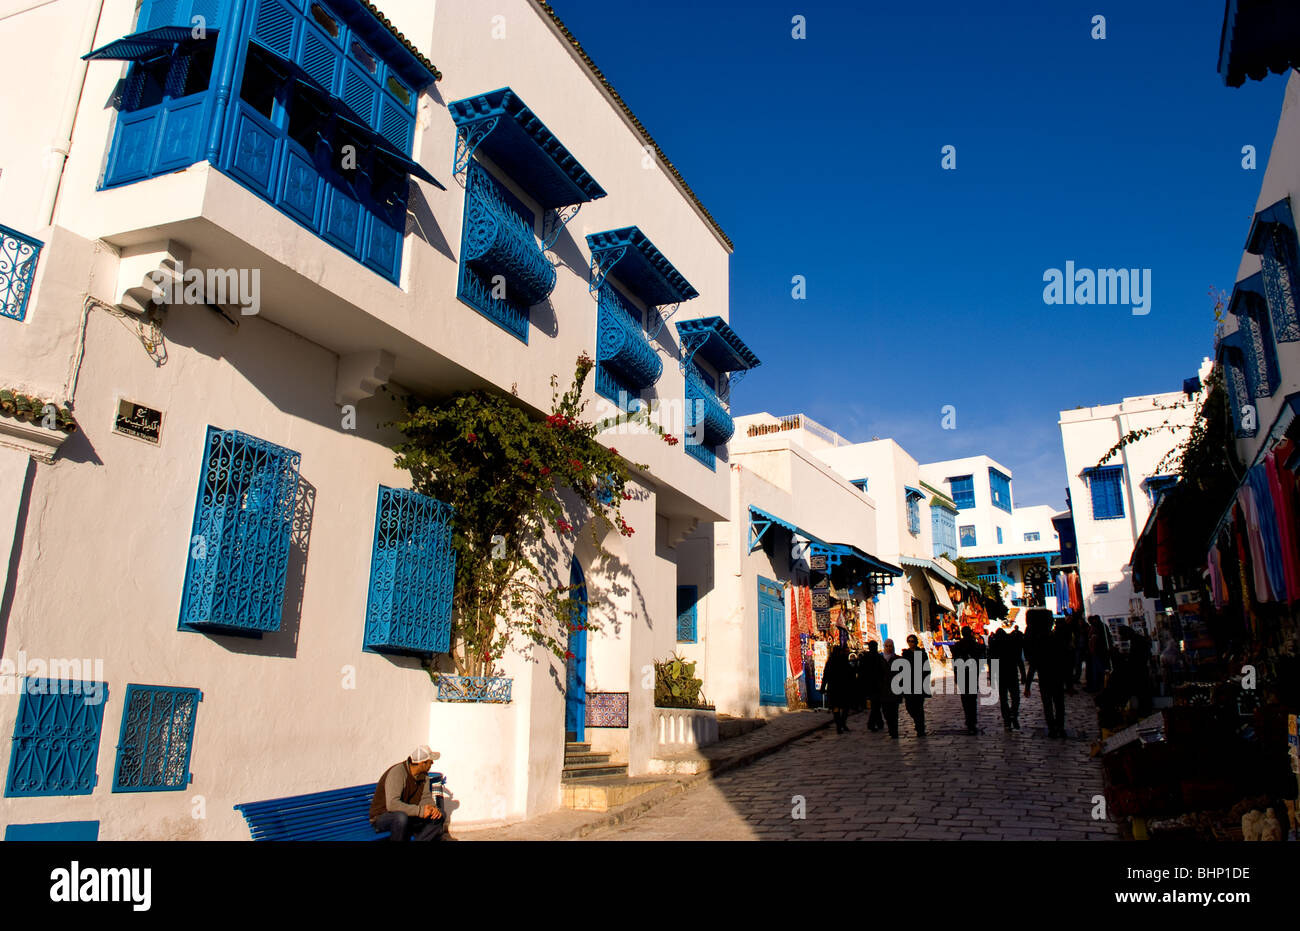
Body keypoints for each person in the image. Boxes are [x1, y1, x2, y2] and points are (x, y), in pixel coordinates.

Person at [370, 745, 445, 841]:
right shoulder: (397, 773)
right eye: (430, 761)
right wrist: (420, 811)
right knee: (401, 818)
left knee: (440, 815)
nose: (432, 763)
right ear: (422, 763)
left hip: (407, 814)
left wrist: (433, 808)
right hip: (383, 817)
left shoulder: (424, 776)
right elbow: (392, 805)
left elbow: (424, 797)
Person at [1024, 609, 1069, 738]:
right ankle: (1060, 727)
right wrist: (1069, 682)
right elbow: (1065, 662)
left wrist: (1027, 686)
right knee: (1059, 704)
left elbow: (1033, 666)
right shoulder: (1057, 640)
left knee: (1048, 704)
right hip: (1057, 677)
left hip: (1045, 678)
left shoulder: (1037, 644)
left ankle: (1052, 728)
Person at [988, 621, 1026, 730]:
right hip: (1012, 674)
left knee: (1004, 699)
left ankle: (1007, 720)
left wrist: (992, 678)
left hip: (1001, 676)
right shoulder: (1012, 645)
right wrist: (1023, 675)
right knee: (1015, 697)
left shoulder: (994, 648)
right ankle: (1013, 714)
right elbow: (1019, 660)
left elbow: (991, 663)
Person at [950, 625, 986, 735]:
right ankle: (972, 722)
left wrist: (956, 674)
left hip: (962, 675)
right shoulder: (975, 645)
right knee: (972, 699)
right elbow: (981, 658)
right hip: (972, 675)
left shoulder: (957, 646)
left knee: (965, 700)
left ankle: (969, 721)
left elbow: (955, 661)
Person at [898, 633, 931, 737]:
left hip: (919, 684)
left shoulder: (921, 653)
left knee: (919, 707)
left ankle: (920, 728)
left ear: (916, 642)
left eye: (913, 641)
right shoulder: (905, 654)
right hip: (908, 684)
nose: (911, 643)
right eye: (909, 641)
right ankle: (918, 722)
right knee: (909, 707)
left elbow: (926, 669)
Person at [820, 645, 854, 734]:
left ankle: (839, 726)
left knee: (836, 708)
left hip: (833, 688)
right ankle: (842, 723)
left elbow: (825, 675)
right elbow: (850, 674)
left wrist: (823, 687)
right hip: (843, 688)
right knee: (845, 707)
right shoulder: (844, 661)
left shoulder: (830, 661)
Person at [879, 638, 903, 738]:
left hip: (894, 691)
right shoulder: (880, 660)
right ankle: (890, 727)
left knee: (894, 712)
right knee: (886, 712)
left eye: (890, 646)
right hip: (883, 691)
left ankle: (894, 731)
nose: (889, 648)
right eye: (887, 646)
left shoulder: (897, 659)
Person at [862, 640, 886, 731]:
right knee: (876, 705)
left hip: (870, 685)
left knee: (876, 704)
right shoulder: (878, 657)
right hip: (876, 684)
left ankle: (880, 723)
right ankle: (871, 724)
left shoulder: (865, 657)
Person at [1085, 615, 1110, 693]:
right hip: (1097, 651)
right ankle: (1099, 686)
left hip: (1097, 651)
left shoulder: (1096, 628)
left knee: (1099, 669)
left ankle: (1099, 686)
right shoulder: (1101, 626)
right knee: (1097, 669)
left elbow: (1094, 640)